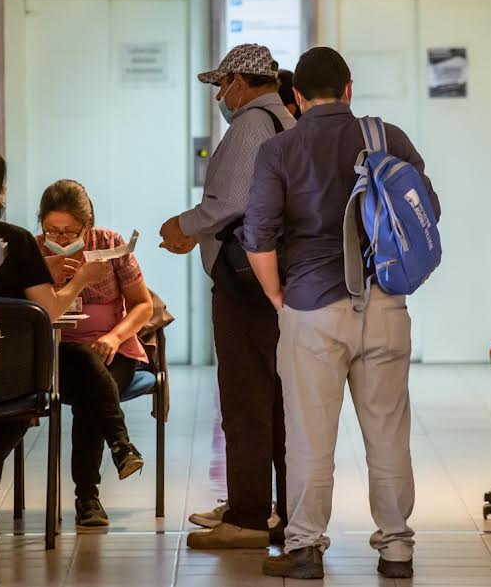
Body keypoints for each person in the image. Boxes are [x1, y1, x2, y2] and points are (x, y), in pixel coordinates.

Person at [243, 47, 440, 580]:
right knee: (388, 433)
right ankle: (396, 548)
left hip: (313, 308)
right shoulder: (387, 138)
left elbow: (257, 234)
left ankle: (305, 548)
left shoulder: (280, 150)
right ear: (349, 89)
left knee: (310, 436)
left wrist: (278, 297)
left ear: (297, 96)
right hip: (386, 304)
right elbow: (428, 211)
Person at [158, 43, 295, 549]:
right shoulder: (287, 122)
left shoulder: (251, 124)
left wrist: (183, 225)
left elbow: (231, 201)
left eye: (221, 85)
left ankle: (247, 518)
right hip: (278, 284)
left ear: (239, 82)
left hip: (245, 289)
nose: (219, 96)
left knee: (244, 400)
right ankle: (283, 511)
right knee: (279, 405)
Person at [0, 151, 108, 541]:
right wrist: (80, 281)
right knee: (18, 407)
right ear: (0, 192)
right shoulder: (17, 241)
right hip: (14, 373)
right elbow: (50, 310)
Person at [36, 180, 153, 528]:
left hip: (114, 350)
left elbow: (143, 305)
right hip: (60, 352)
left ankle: (88, 498)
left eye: (69, 231)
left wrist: (114, 337)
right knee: (88, 371)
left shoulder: (110, 244)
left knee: (93, 392)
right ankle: (121, 448)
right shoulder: (34, 252)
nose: (60, 238)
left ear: (87, 225)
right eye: (51, 230)